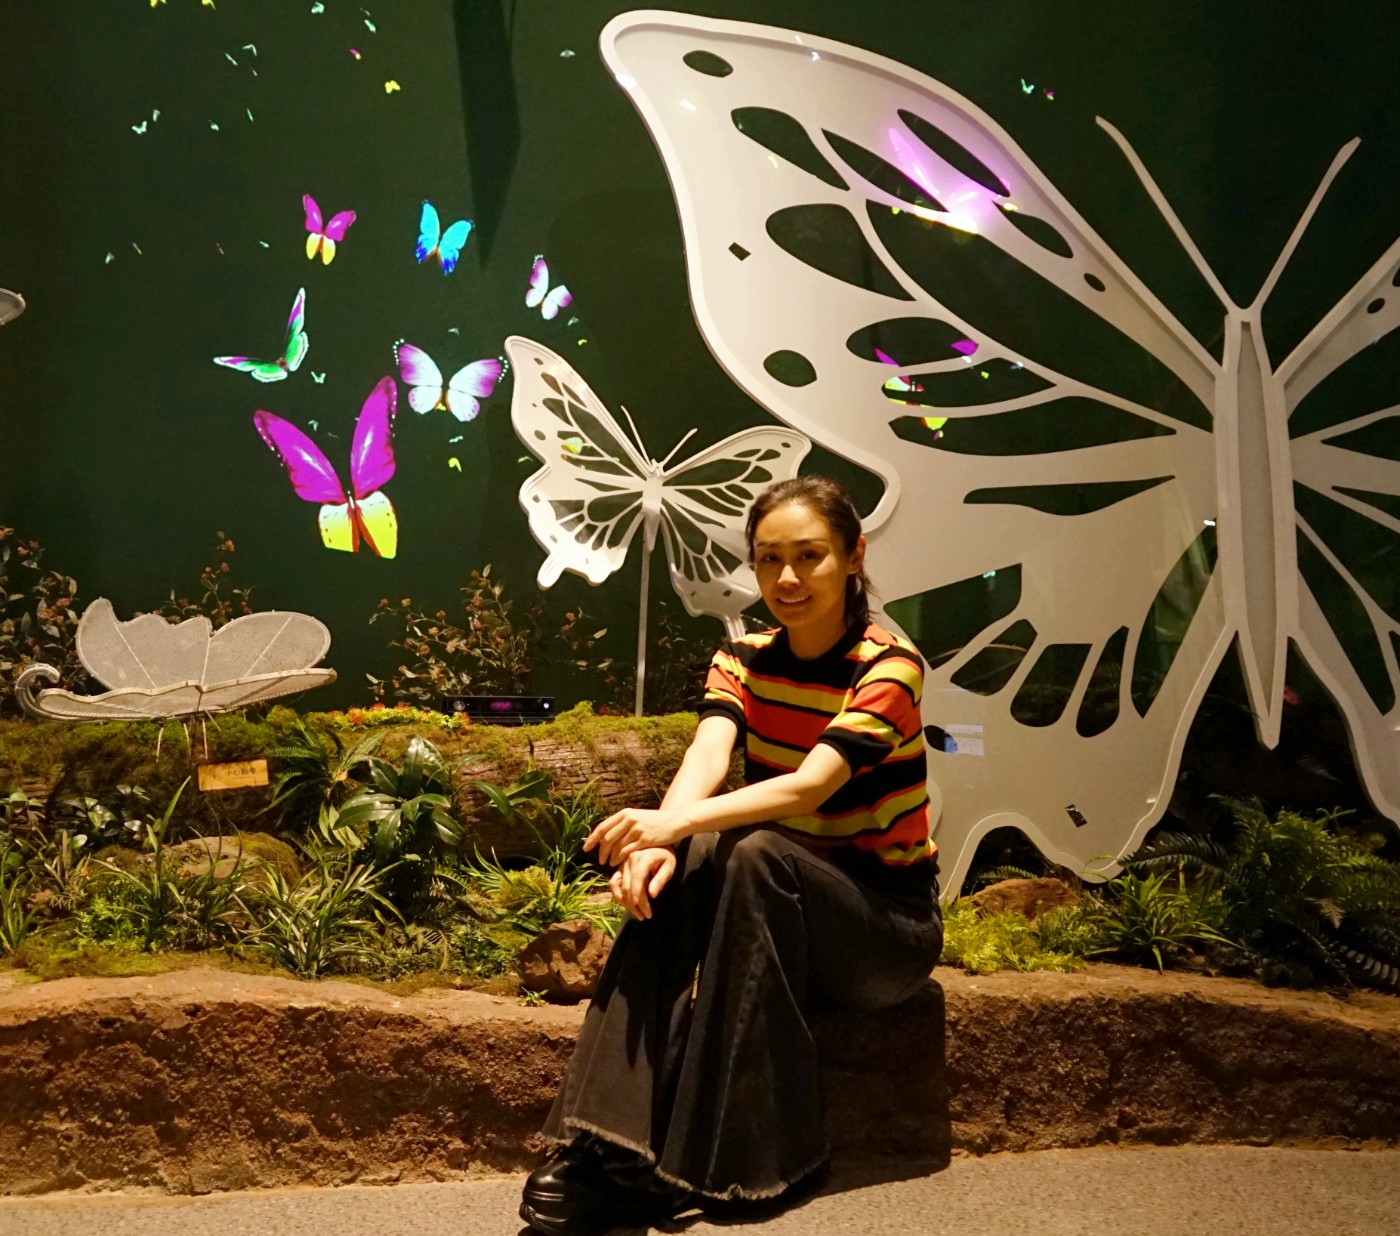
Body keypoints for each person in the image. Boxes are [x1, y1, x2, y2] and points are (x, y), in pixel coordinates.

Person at [519, 476, 943, 1236]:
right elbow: (708, 757)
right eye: (769, 558)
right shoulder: (742, 658)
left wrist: (669, 826)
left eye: (809, 556)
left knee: (752, 850)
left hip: (882, 934)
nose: (787, 577)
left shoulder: (888, 666)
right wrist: (663, 841)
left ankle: (739, 1165)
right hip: (777, 907)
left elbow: (810, 787)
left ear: (853, 557)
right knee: (699, 853)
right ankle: (606, 1145)